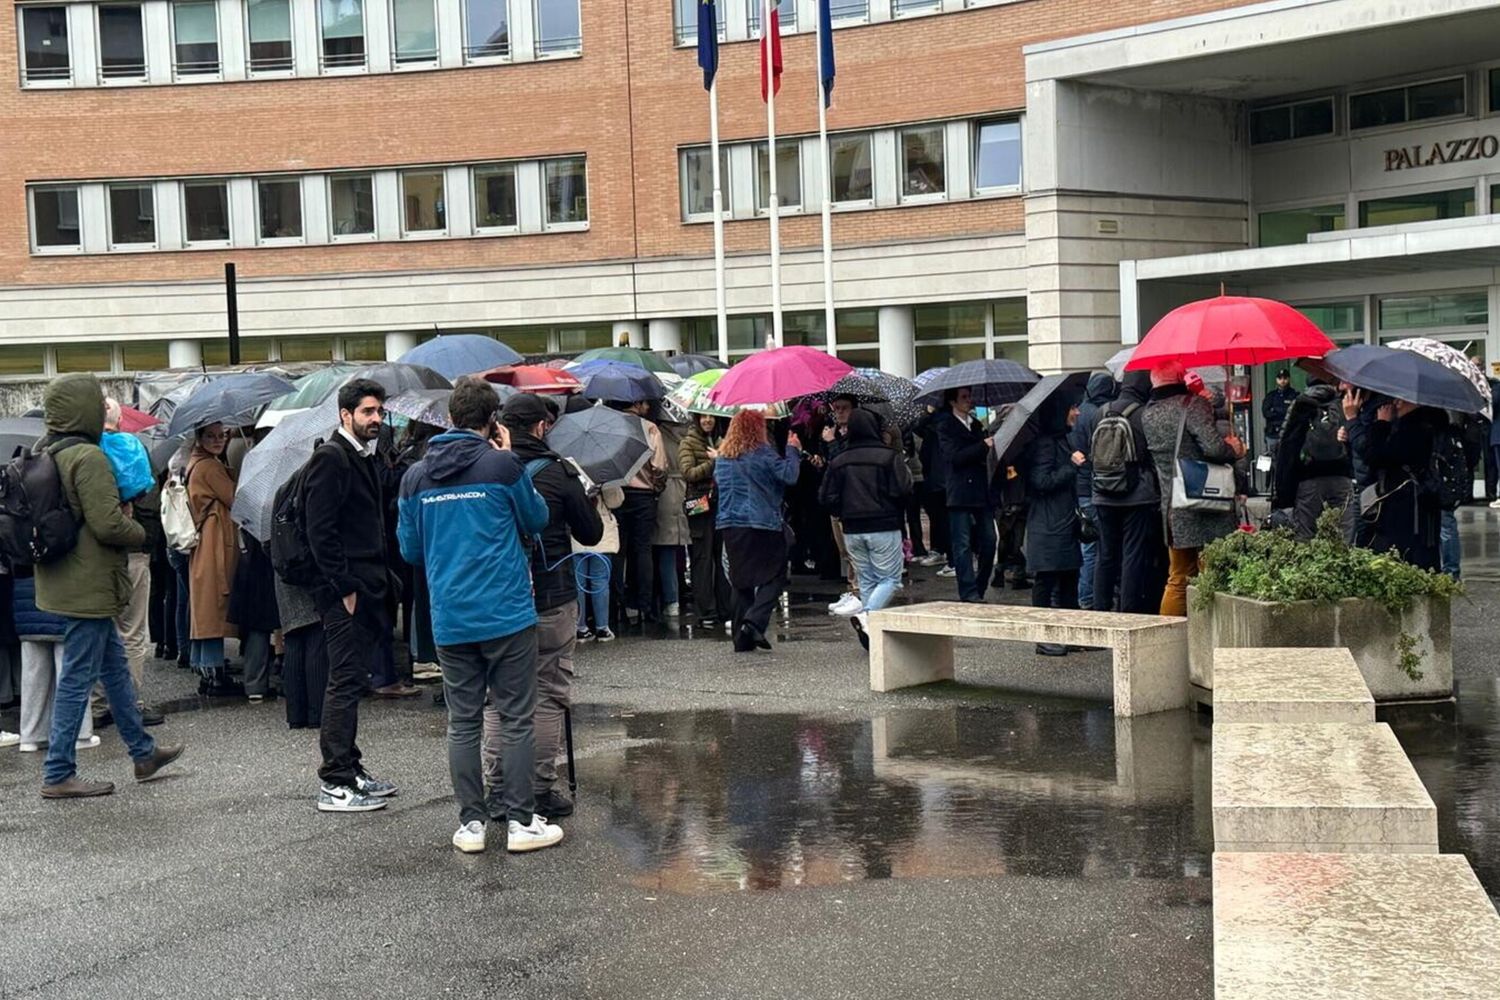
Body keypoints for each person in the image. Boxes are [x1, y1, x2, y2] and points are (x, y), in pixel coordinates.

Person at [398, 377, 561, 855]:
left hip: (450, 614)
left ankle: (471, 824)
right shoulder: (503, 465)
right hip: (506, 611)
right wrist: (509, 456)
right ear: (493, 420)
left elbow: (410, 549)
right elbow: (536, 519)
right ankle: (520, 820)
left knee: (463, 721)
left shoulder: (415, 476)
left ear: (450, 417)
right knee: (515, 718)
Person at [34, 373, 182, 799]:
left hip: (68, 578)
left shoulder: (51, 450)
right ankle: (58, 772)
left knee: (114, 667)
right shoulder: (89, 458)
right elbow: (107, 523)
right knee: (78, 678)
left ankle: (143, 752)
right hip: (91, 584)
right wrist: (139, 532)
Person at [486, 393, 602, 822]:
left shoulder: (486, 471)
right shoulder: (559, 473)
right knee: (549, 693)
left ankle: (498, 788)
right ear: (541, 427)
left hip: (500, 596)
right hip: (552, 594)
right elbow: (590, 535)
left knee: (499, 697)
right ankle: (538, 788)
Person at [304, 378, 398, 813]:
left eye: (379, 411)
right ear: (345, 415)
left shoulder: (360, 457)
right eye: (367, 412)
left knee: (352, 680)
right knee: (343, 682)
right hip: (345, 591)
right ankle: (335, 780)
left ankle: (351, 768)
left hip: (365, 586)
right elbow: (319, 530)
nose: (376, 419)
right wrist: (343, 588)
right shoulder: (332, 458)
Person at [1142, 362, 1245, 617]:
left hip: (1174, 505)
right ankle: (1209, 633)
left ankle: (1168, 639)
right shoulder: (1192, 405)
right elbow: (1214, 449)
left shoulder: (1149, 413)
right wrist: (1234, 449)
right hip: (1207, 502)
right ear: (1181, 376)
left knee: (1178, 577)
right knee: (1214, 570)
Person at [818, 409, 912, 646]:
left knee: (867, 579)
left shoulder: (839, 460)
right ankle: (867, 615)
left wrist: (842, 512)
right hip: (884, 524)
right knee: (891, 578)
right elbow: (903, 489)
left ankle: (871, 635)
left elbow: (826, 497)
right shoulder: (889, 456)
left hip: (851, 528)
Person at [714, 410, 801, 652]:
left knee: (741, 581)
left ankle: (742, 641)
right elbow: (789, 475)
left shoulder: (722, 457)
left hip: (730, 524)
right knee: (775, 574)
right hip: (761, 523)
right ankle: (753, 623)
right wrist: (793, 450)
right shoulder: (762, 454)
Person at [100, 398, 165, 726]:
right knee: (133, 632)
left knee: (101, 629)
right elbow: (150, 498)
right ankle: (130, 703)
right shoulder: (131, 447)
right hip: (134, 549)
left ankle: (98, 704)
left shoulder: (86, 450)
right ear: (119, 418)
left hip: (98, 553)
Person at [1089, 371, 1163, 614]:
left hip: (1102, 492)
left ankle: (1100, 609)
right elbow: (1151, 455)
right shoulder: (1144, 415)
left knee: (1105, 555)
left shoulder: (1100, 412)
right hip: (1137, 495)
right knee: (1132, 554)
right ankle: (1127, 612)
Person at [1346, 391, 1444, 571]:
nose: (1396, 403)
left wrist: (1378, 424)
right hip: (1414, 502)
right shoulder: (1414, 424)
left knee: (1404, 556)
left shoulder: (1415, 427)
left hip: (1406, 505)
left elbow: (1376, 456)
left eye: (1403, 399)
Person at [1023, 395, 1083, 655]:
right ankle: (1042, 637)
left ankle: (1071, 635)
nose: (1077, 412)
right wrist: (1071, 466)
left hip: (1062, 521)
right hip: (1048, 524)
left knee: (1070, 578)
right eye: (1072, 406)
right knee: (1046, 580)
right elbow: (1040, 482)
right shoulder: (1046, 444)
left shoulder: (1061, 439)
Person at [13, 569, 98, 753]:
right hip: (61, 592)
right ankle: (79, 734)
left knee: (32, 674)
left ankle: (31, 736)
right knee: (71, 672)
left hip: (24, 592)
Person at [185, 422, 241, 696]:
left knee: (204, 606)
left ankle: (205, 668)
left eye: (222, 435)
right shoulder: (210, 466)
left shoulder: (197, 462)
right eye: (212, 436)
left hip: (207, 539)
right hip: (214, 540)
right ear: (200, 438)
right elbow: (233, 497)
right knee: (214, 605)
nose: (218, 440)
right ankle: (214, 672)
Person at [1271, 378, 1355, 541]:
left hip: (1308, 479)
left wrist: (1283, 490)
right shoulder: (1342, 403)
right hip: (1341, 477)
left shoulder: (1300, 404)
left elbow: (1288, 444)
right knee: (1343, 537)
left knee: (1305, 536)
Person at [934, 387, 996, 603]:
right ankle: (968, 591)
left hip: (980, 489)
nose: (969, 401)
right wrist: (982, 447)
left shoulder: (976, 424)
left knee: (989, 541)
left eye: (970, 397)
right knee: (962, 543)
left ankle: (979, 586)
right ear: (952, 401)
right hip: (959, 489)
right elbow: (954, 457)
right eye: (964, 397)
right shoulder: (946, 425)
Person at [610, 400, 666, 626]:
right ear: (638, 403)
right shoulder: (650, 428)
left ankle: (616, 606)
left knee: (618, 550)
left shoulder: (610, 427)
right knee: (643, 550)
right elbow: (659, 467)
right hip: (644, 496)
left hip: (618, 494)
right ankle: (644, 605)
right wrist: (656, 486)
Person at [680, 413, 731, 627]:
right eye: (703, 417)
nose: (707, 420)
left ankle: (725, 609)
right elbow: (688, 473)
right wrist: (713, 463)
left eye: (711, 417)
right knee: (702, 559)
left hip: (721, 504)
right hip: (700, 506)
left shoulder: (724, 441)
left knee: (722, 559)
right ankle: (705, 611)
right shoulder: (688, 443)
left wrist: (723, 457)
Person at [652, 415, 689, 619]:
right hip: (689, 489)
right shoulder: (692, 434)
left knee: (666, 549)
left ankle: (671, 600)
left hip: (666, 493)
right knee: (698, 548)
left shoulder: (657, 433)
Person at [1261, 368, 1297, 485]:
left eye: (1285, 378)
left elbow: (1294, 413)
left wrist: (1276, 411)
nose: (1282, 381)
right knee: (1272, 461)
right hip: (1273, 434)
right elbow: (1266, 413)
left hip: (1288, 433)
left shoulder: (1294, 395)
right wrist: (1283, 412)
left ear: (1288, 379)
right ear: (1277, 380)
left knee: (1287, 461)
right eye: (1280, 378)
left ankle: (1285, 486)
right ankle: (1273, 487)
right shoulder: (1271, 396)